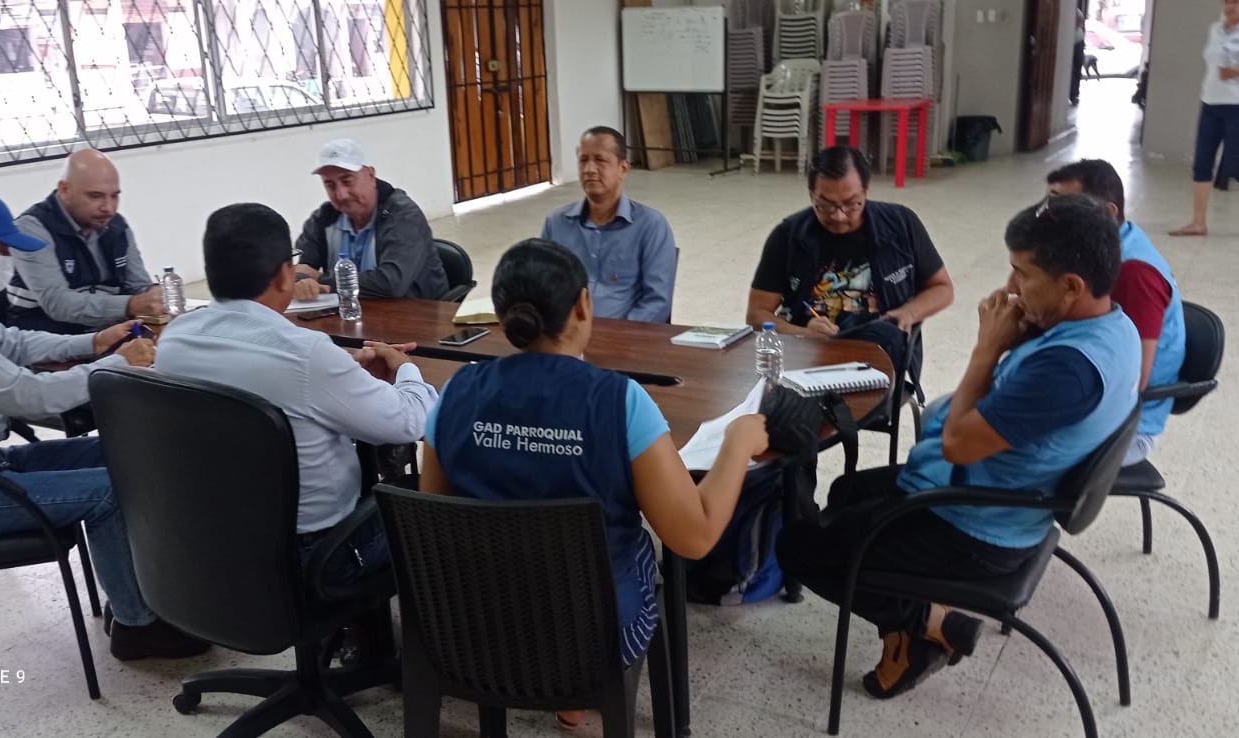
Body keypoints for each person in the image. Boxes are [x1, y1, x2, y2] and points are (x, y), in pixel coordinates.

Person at [776, 194, 1140, 700]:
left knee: (796, 547)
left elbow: (958, 445)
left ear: (1072, 286)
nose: (1010, 287)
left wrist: (987, 348)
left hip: (976, 527)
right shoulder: (1111, 326)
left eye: (1023, 274)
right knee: (846, 493)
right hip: (995, 496)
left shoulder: (1067, 371)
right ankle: (907, 631)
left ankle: (931, 622)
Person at [420, 238, 768, 729]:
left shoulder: (455, 392)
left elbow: (435, 514)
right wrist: (738, 441)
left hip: (474, 630)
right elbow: (695, 536)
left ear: (499, 316)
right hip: (594, 638)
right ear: (584, 305)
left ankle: (563, 696)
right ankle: (573, 693)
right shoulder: (619, 402)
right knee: (637, 549)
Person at [0, 190, 207, 661]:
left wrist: (94, 342)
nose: (9, 261)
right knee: (112, 490)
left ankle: (137, 591)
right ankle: (137, 627)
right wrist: (117, 364)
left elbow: (15, 344)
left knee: (119, 449)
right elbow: (27, 395)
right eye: (2, 249)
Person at [157, 203, 438, 591]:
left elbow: (262, 369)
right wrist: (405, 369)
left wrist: (344, 366)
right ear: (284, 275)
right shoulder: (307, 355)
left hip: (217, 547)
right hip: (317, 556)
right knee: (436, 506)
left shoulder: (174, 340)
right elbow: (410, 422)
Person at [747, 145, 954, 378]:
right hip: (810, 359)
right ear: (811, 194)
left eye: (851, 204)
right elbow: (757, 314)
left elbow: (942, 287)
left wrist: (909, 312)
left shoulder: (900, 225)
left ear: (865, 191)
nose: (838, 215)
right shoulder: (788, 236)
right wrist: (802, 332)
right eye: (825, 205)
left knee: (887, 335)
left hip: (879, 355)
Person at [1047, 159, 1186, 465]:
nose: (1050, 216)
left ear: (1108, 213)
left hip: (1125, 429)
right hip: (1088, 396)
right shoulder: (1106, 244)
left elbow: (1135, 380)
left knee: (988, 449)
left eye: (1065, 206)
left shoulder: (1135, 273)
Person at [8, 148, 164, 333]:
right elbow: (58, 304)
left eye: (114, 196)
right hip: (48, 337)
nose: (108, 208)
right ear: (64, 189)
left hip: (111, 330)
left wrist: (155, 296)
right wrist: (131, 304)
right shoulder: (31, 228)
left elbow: (138, 286)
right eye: (95, 196)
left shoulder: (117, 226)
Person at [540, 126, 679, 322]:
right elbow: (541, 288)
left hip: (624, 336)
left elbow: (657, 301)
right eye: (583, 160)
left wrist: (619, 336)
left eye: (600, 160)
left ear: (623, 169)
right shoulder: (556, 223)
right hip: (565, 334)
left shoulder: (651, 226)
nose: (589, 169)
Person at [1169, 0, 1239, 237]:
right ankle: (1199, 223)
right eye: (1227, 1)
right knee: (1202, 162)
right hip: (1211, 101)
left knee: (1235, 163)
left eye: (1236, 1)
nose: (1230, 6)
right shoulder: (1216, 28)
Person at [291, 139, 449, 302]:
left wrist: (321, 278)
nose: (341, 194)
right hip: (351, 311)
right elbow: (302, 269)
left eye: (347, 181)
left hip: (417, 311)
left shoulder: (403, 215)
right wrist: (302, 281)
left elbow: (391, 283)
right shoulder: (323, 218)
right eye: (330, 185)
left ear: (371, 175)